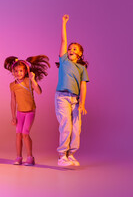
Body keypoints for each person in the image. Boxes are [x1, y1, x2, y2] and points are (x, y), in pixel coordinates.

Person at [55, 14, 89, 166]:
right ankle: (62, 155)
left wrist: (82, 103)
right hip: (62, 97)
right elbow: (63, 40)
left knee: (77, 128)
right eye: (69, 48)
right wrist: (64, 23)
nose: (70, 50)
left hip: (75, 100)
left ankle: (71, 154)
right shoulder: (64, 60)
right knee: (66, 125)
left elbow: (83, 85)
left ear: (80, 54)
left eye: (74, 49)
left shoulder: (81, 68)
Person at [4, 56, 50, 165]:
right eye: (16, 71)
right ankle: (18, 157)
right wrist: (13, 116)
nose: (18, 73)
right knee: (18, 134)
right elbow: (13, 101)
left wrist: (33, 80)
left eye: (21, 71)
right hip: (20, 113)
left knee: (25, 133)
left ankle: (30, 157)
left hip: (30, 112)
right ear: (12, 72)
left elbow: (39, 92)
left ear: (25, 71)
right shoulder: (12, 85)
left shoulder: (29, 81)